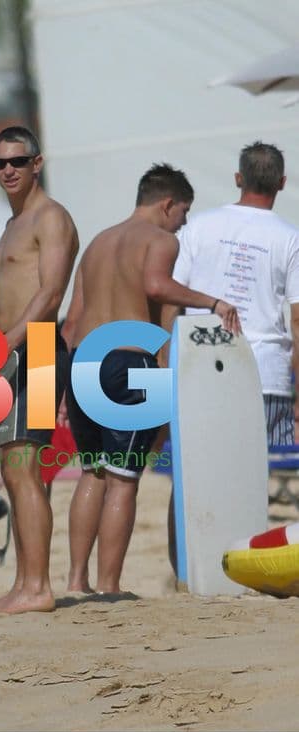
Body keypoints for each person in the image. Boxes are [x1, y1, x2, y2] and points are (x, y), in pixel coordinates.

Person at [63, 163, 241, 594]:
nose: (183, 224)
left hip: (82, 360)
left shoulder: (98, 242)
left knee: (92, 473)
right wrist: (213, 301)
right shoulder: (160, 241)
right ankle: (109, 587)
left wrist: (65, 392)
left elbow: (71, 321)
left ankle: (76, 582)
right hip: (129, 362)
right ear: (167, 204)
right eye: (183, 213)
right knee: (125, 479)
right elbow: (157, 287)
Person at [0, 125, 79, 614]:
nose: (8, 171)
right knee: (14, 470)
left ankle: (38, 588)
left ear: (37, 163)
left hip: (35, 347)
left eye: (17, 161)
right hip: (12, 350)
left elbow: (51, 295)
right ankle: (24, 583)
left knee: (25, 470)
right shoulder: (10, 224)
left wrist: (8, 347)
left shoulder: (51, 218)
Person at [169, 141, 299, 446]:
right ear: (282, 182)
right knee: (262, 480)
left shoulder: (197, 226)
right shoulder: (290, 238)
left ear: (238, 178)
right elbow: (297, 321)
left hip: (202, 369)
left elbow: (171, 299)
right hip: (266, 375)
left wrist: (167, 365)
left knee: (201, 477)